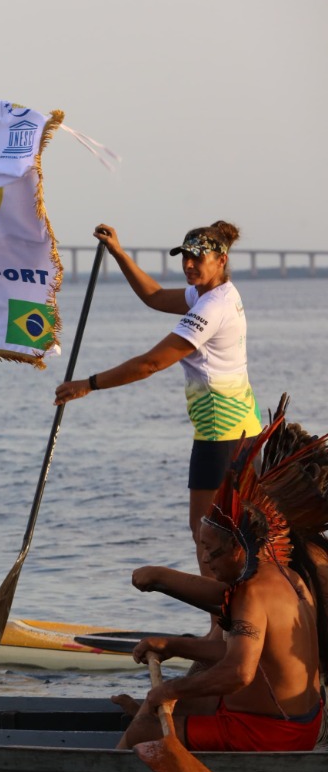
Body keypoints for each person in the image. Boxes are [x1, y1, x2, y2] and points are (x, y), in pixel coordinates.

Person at [116, 411, 324, 752]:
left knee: (146, 729)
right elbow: (239, 652)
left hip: (271, 733)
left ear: (239, 549)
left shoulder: (252, 592)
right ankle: (145, 725)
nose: (207, 562)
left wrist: (170, 690)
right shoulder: (285, 575)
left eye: (212, 552)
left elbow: (239, 672)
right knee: (169, 704)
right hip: (298, 722)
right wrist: (170, 645)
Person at [54, 221, 262, 547]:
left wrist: (89, 384)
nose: (189, 265)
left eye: (198, 257)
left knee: (206, 534)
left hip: (220, 432)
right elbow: (156, 296)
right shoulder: (218, 293)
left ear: (221, 260)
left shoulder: (212, 307)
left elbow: (151, 364)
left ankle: (220, 599)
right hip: (246, 430)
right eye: (185, 258)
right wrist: (119, 253)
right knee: (237, 537)